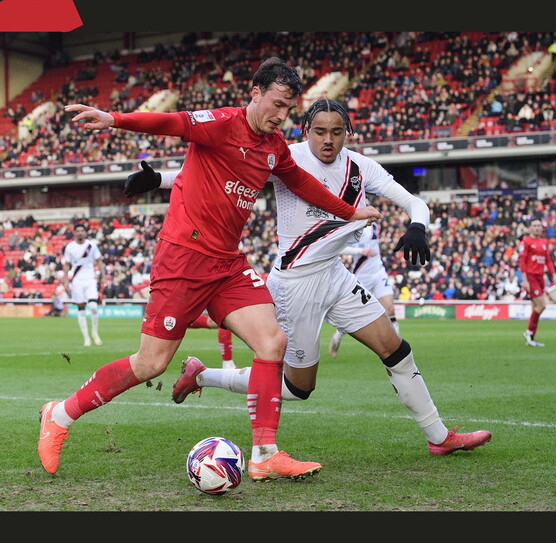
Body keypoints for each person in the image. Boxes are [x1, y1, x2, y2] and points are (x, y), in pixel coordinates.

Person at [37, 58, 381, 480]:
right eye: (276, 104)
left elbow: (303, 185)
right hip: (183, 258)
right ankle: (60, 415)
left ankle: (264, 455)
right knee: (151, 364)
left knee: (272, 342)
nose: (281, 116)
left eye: (289, 109)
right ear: (255, 93)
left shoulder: (274, 149)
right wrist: (114, 119)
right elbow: (169, 122)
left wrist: (348, 211)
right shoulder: (219, 124)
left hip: (227, 264)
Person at [139, 98, 491, 456]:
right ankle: (203, 376)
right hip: (295, 286)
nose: (328, 140)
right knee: (298, 387)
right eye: (320, 131)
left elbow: (415, 202)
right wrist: (158, 180)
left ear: (347, 134)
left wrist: (418, 226)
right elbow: (215, 176)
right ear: (306, 130)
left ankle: (438, 436)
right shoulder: (284, 156)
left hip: (335, 276)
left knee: (396, 350)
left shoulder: (360, 168)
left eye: (337, 132)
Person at [328, 221, 398, 358]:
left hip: (378, 272)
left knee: (390, 308)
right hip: (361, 275)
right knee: (352, 314)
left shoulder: (374, 225)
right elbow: (338, 249)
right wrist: (361, 251)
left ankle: (397, 350)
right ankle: (337, 337)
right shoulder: (351, 229)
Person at [61, 224, 103, 346]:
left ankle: (95, 333)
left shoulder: (91, 245)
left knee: (94, 306)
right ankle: (86, 337)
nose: (80, 233)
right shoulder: (70, 247)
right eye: (77, 231)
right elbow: (67, 264)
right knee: (81, 309)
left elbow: (98, 261)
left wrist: (103, 276)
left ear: (85, 232)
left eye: (82, 231)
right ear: (74, 233)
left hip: (90, 279)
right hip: (77, 280)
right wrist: (65, 279)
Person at [518, 217, 556, 347]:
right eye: (534, 226)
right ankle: (528, 332)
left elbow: (548, 260)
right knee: (542, 305)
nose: (537, 228)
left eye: (539, 226)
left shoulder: (543, 242)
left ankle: (531, 338)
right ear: (530, 228)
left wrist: (554, 275)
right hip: (531, 276)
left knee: (535, 308)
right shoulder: (526, 241)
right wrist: (524, 279)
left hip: (540, 277)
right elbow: (522, 261)